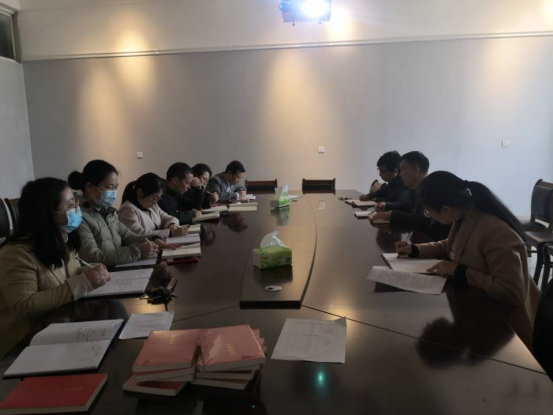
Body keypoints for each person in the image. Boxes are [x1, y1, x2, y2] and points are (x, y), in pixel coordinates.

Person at [395, 171, 540, 350]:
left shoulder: (495, 231)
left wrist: (458, 270)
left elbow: (511, 291)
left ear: (446, 209)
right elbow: (453, 244)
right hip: (478, 308)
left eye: (428, 212)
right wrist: (415, 250)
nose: (429, 216)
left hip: (504, 327)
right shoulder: (465, 216)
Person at [0, 178, 110, 357]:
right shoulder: (16, 253)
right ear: (47, 213)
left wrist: (90, 274)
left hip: (60, 327)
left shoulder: (62, 239)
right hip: (24, 344)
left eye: (75, 203)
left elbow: (68, 274)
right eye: (70, 205)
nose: (77, 209)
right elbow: (24, 304)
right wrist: (82, 282)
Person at [68, 160, 170, 267]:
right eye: (109, 187)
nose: (113, 192)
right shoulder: (79, 217)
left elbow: (127, 236)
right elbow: (92, 257)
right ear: (90, 187)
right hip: (103, 273)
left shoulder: (108, 212)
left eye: (115, 187)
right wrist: (138, 251)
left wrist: (153, 239)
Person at [371, 151, 450, 241]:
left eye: (403, 169)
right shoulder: (416, 189)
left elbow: (424, 220)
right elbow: (406, 206)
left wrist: (392, 215)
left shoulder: (432, 191)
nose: (400, 174)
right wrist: (386, 205)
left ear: (416, 170)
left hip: (432, 243)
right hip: (417, 240)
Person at [119, 173, 188, 239]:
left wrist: (172, 225)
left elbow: (169, 218)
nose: (155, 202)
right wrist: (169, 233)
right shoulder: (128, 209)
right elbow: (137, 234)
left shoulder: (153, 206)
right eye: (154, 198)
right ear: (140, 192)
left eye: (158, 199)